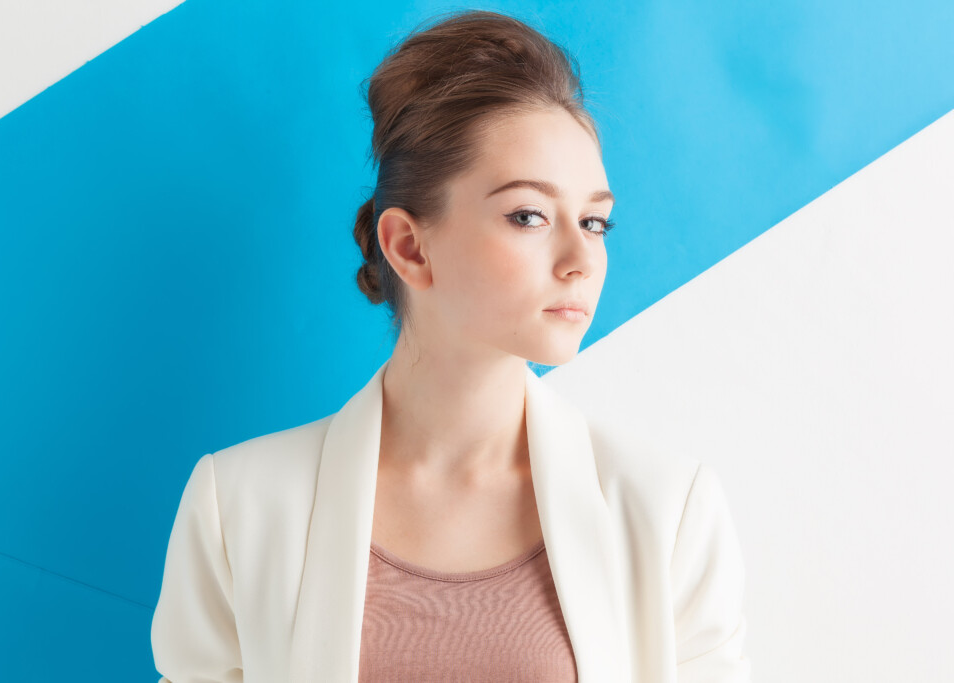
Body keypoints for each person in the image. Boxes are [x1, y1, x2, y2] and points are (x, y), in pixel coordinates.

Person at [151, 9, 751, 682]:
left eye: (594, 221)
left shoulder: (667, 508)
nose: (582, 259)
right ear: (409, 246)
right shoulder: (238, 506)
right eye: (529, 215)